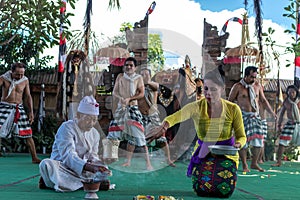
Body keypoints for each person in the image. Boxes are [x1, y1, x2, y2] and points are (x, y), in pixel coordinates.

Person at [148, 65, 246, 198]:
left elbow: (241, 136)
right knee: (201, 189)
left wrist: (238, 145)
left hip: (227, 154)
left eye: (213, 89)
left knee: (224, 188)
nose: (208, 93)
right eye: (205, 89)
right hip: (204, 152)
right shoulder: (196, 107)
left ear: (222, 89)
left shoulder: (233, 109)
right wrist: (164, 126)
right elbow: (177, 116)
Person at [39, 96, 111, 192]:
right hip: (63, 167)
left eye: (94, 120)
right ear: (78, 115)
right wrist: (90, 167)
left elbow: (93, 156)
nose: (91, 123)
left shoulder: (94, 133)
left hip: (82, 171)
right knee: (47, 164)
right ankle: (86, 183)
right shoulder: (66, 128)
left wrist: (99, 166)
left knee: (104, 167)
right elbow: (68, 156)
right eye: (88, 119)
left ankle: (64, 182)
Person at [107, 57, 153, 170]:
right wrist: (121, 98)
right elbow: (115, 92)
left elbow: (141, 93)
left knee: (139, 136)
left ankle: (148, 164)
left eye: (131, 65)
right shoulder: (120, 77)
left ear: (135, 67)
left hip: (133, 108)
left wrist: (130, 99)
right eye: (126, 65)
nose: (128, 67)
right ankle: (112, 159)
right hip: (121, 108)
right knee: (113, 133)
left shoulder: (138, 78)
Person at [228, 66, 277, 172]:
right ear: (245, 76)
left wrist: (272, 113)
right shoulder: (238, 86)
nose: (253, 79)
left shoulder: (257, 86)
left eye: (255, 77)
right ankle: (245, 164)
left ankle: (254, 163)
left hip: (255, 116)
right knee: (242, 141)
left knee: (259, 139)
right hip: (242, 116)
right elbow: (230, 101)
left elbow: (263, 100)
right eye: (251, 77)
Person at [0, 62, 41, 163]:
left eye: (22, 74)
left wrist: (31, 111)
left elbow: (27, 96)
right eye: (17, 74)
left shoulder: (25, 80)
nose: (20, 76)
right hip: (5, 106)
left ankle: (34, 158)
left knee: (28, 133)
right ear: (11, 72)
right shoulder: (3, 78)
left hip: (19, 107)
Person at [138, 67, 175, 167]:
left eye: (146, 74)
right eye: (142, 74)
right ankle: (148, 164)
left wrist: (147, 81)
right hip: (141, 116)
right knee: (143, 139)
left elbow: (155, 86)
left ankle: (168, 159)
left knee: (162, 138)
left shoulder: (153, 86)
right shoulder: (138, 87)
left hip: (153, 115)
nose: (144, 76)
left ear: (150, 76)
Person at [272, 85, 300, 167]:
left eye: (293, 92)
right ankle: (279, 161)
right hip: (290, 123)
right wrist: (279, 124)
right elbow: (281, 114)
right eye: (290, 92)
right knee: (282, 142)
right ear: (287, 93)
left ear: (296, 93)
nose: (291, 94)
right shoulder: (286, 102)